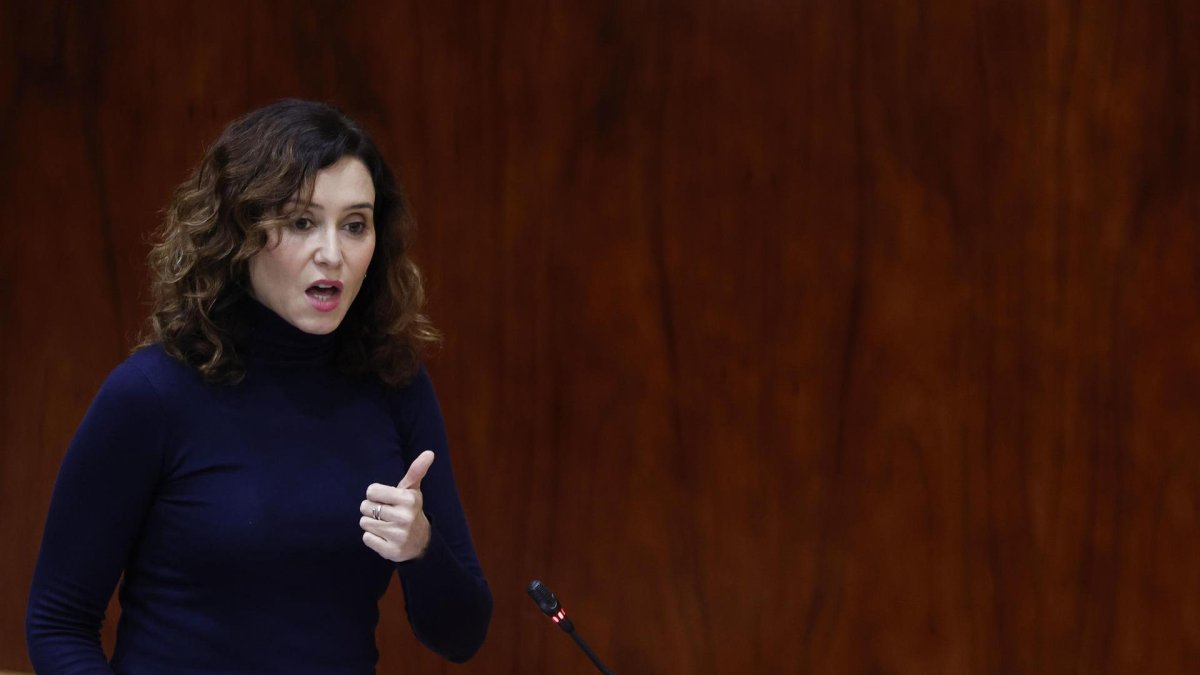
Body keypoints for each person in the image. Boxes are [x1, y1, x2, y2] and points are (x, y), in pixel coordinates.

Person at [26, 99, 492, 673]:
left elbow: (463, 635)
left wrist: (420, 547)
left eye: (355, 225)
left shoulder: (395, 384)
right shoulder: (151, 394)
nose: (332, 254)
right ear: (238, 230)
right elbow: (57, 623)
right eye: (301, 222)